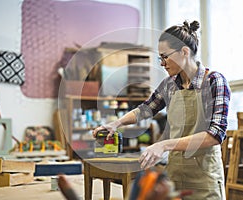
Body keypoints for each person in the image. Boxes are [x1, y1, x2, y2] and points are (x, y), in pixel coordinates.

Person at [93, 20, 231, 199]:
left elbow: (215, 135)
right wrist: (115, 124)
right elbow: (145, 109)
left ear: (184, 52)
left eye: (165, 57)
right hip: (174, 177)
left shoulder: (214, 81)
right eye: (160, 58)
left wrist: (163, 145)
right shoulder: (169, 85)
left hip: (205, 179)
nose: (162, 63)